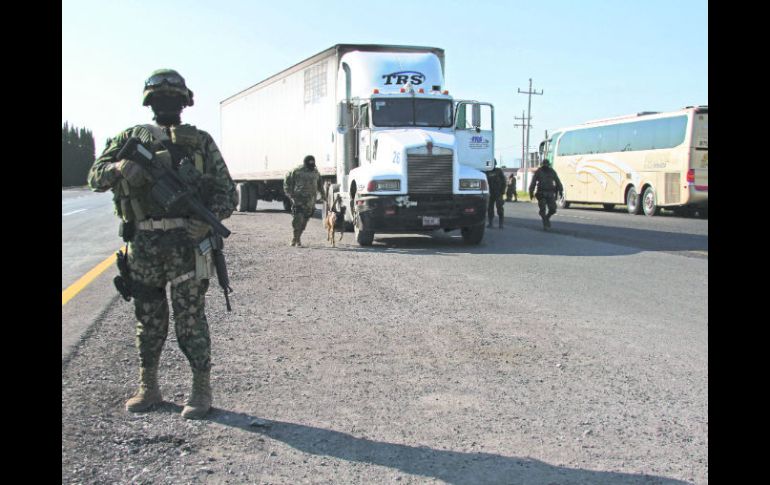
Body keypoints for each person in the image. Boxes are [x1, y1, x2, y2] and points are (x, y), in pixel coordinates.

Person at [87, 69, 237, 419]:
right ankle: (149, 387)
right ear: (150, 102)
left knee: (191, 319)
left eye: (173, 97)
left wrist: (207, 218)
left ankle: (200, 389)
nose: (167, 103)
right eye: (161, 98)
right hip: (144, 245)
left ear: (184, 102)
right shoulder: (129, 137)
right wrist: (120, 167)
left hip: (187, 245)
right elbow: (95, 176)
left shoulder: (200, 142)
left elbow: (227, 193)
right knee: (148, 318)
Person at [284, 155, 323, 246]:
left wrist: (324, 196)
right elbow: (287, 181)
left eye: (313, 163)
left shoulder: (316, 172)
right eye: (310, 162)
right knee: (298, 219)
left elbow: (320, 185)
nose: (312, 165)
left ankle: (298, 237)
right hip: (299, 200)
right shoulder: (297, 171)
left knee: (305, 221)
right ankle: (295, 239)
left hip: (310, 202)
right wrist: (290, 194)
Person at [528, 158, 564, 230]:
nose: (546, 166)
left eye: (547, 165)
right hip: (541, 193)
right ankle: (545, 223)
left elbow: (557, 181)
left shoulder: (552, 171)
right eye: (544, 165)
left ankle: (547, 217)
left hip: (550, 193)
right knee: (542, 209)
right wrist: (531, 192)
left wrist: (560, 190)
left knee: (553, 209)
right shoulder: (538, 172)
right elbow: (533, 182)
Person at [485, 159, 506, 229]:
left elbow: (504, 181)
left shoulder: (499, 171)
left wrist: (502, 191)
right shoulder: (486, 172)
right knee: (490, 208)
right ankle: (490, 223)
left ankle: (501, 223)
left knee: (499, 207)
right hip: (490, 193)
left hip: (498, 193)